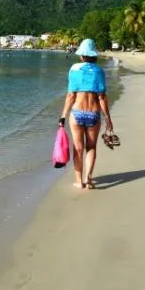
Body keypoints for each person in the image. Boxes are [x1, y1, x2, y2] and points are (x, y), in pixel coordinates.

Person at [59, 38, 113, 189]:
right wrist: (108, 118)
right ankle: (88, 178)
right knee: (91, 147)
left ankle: (78, 181)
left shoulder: (74, 69)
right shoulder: (99, 71)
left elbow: (70, 95)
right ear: (94, 55)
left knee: (78, 148)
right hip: (94, 114)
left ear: (82, 55)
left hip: (77, 113)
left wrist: (63, 116)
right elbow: (102, 97)